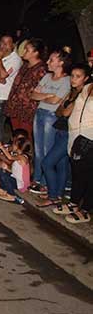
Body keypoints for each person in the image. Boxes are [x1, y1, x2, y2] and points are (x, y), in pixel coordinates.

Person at [38, 62, 87, 211]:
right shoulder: (71, 92)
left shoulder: (83, 94)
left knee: (47, 162)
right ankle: (57, 194)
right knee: (61, 164)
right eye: (72, 76)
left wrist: (63, 108)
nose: (73, 79)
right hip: (60, 129)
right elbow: (59, 111)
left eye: (78, 77)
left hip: (70, 133)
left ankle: (53, 196)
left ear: (85, 79)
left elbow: (64, 112)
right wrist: (63, 108)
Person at [29, 48, 71, 196]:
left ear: (61, 62)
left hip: (51, 115)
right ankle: (37, 180)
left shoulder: (66, 81)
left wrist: (44, 96)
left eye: (51, 60)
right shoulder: (47, 77)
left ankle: (46, 184)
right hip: (40, 113)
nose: (47, 62)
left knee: (47, 150)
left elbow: (55, 101)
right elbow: (33, 95)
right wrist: (48, 95)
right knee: (38, 149)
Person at [65, 67, 93, 224]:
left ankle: (86, 209)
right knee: (77, 172)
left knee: (89, 175)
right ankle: (74, 203)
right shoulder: (88, 87)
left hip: (91, 139)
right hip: (77, 137)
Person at [4, 38, 48, 139]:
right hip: (15, 107)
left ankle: (23, 154)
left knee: (24, 136)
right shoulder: (24, 66)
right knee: (16, 134)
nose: (24, 52)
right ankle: (15, 153)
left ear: (36, 53)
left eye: (27, 50)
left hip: (27, 110)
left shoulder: (41, 69)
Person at [0, 135, 32, 204]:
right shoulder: (19, 156)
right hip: (16, 180)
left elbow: (10, 158)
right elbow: (17, 172)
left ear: (18, 147)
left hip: (21, 184)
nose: (12, 146)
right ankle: (3, 190)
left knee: (3, 175)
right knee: (1, 170)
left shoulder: (22, 157)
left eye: (14, 144)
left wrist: (2, 147)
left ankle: (11, 195)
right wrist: (7, 168)